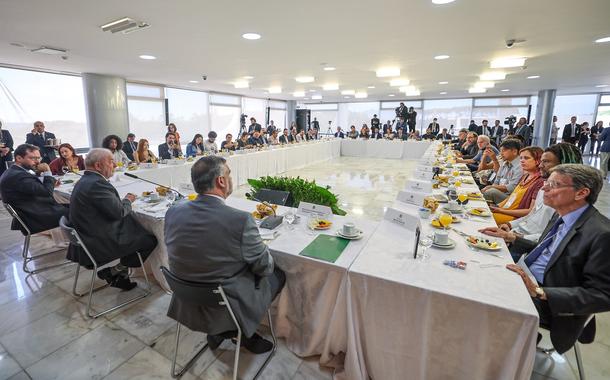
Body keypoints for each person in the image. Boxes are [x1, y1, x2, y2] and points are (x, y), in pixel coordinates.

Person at [164, 156, 285, 353]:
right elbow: (264, 267)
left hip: (186, 299)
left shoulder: (173, 211)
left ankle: (218, 330)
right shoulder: (240, 220)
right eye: (229, 174)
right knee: (277, 275)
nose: (231, 179)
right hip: (227, 303)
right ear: (221, 180)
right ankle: (243, 332)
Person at [504, 164, 610, 355]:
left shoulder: (601, 234)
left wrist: (540, 292)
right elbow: (549, 252)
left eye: (553, 184)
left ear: (581, 193)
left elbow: (603, 296)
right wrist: (513, 238)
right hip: (527, 277)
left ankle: (510, 347)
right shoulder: (561, 214)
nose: (544, 188)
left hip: (552, 303)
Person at [68, 148, 157, 290]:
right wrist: (127, 200)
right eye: (111, 161)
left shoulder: (86, 180)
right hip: (97, 242)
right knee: (148, 239)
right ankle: (114, 271)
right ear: (98, 166)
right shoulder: (96, 184)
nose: (115, 165)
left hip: (86, 236)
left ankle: (118, 274)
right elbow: (120, 212)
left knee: (136, 227)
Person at [480, 143, 582, 260]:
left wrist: (515, 236)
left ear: (564, 165)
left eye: (546, 162)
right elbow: (532, 215)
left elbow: (550, 238)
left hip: (526, 245)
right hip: (518, 233)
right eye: (541, 161)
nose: (540, 165)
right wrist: (509, 225)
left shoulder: (567, 199)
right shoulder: (544, 187)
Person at [0, 143, 68, 234]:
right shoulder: (18, 176)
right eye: (33, 158)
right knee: (82, 209)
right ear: (19, 158)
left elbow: (32, 186)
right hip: (35, 217)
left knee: (72, 205)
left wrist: (41, 175)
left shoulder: (14, 171)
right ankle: (80, 242)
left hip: (32, 211)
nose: (37, 162)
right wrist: (47, 172)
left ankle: (71, 239)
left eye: (38, 158)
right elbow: (47, 192)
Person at [490, 147, 544, 224]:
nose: (522, 161)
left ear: (538, 160)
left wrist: (501, 210)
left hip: (517, 218)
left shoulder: (539, 182)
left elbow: (530, 211)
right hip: (506, 211)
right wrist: (497, 206)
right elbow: (512, 197)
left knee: (486, 217)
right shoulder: (526, 176)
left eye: (526, 158)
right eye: (521, 158)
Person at [481, 139, 523, 204]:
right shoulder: (505, 163)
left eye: (504, 151)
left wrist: (492, 187)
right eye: (500, 151)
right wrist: (492, 187)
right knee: (486, 190)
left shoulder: (520, 166)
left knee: (490, 191)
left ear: (514, 151)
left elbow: (511, 188)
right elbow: (496, 181)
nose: (501, 153)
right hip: (499, 192)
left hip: (510, 197)